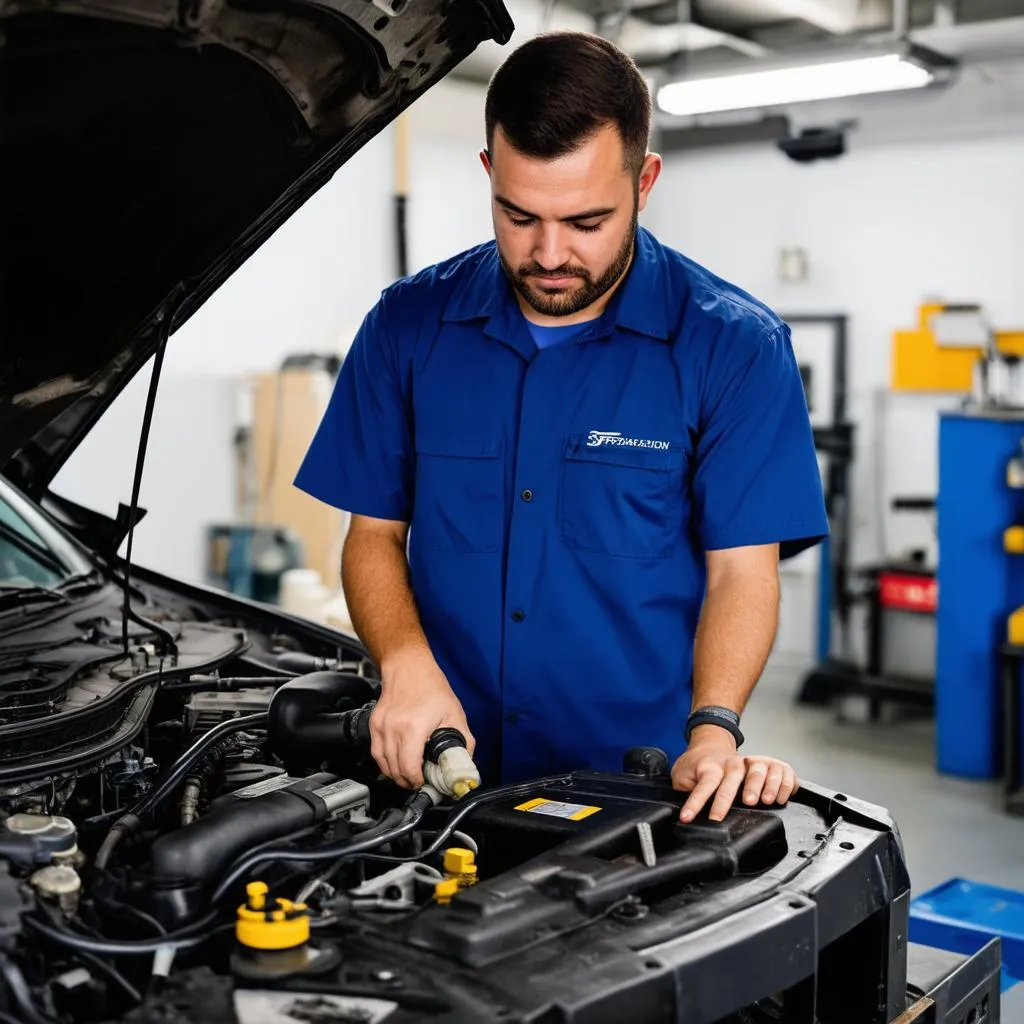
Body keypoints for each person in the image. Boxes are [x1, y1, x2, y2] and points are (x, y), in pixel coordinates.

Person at [294, 31, 829, 823]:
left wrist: (714, 727)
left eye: (585, 221)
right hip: (432, 776)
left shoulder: (733, 346)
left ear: (643, 181)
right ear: (489, 174)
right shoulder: (408, 326)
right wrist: (404, 664)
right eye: (518, 215)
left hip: (630, 792)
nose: (548, 254)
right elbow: (372, 533)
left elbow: (741, 572)